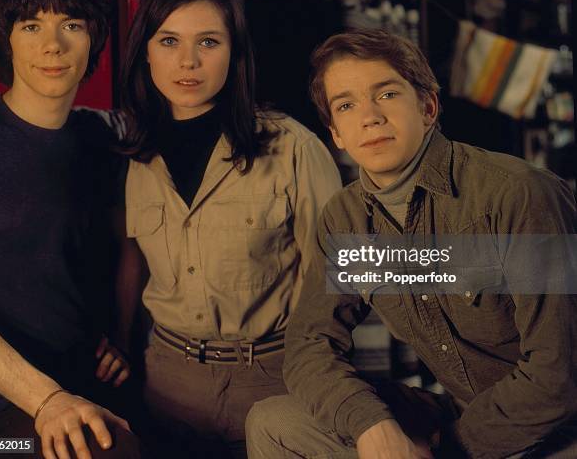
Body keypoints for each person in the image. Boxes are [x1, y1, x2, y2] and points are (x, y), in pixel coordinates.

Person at [246, 29, 577, 459]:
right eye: (346, 105)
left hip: (558, 428)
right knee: (274, 422)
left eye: (385, 94)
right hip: (461, 410)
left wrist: (444, 448)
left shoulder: (519, 194)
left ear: (427, 106)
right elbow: (310, 347)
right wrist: (371, 425)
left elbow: (559, 375)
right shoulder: (346, 220)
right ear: (337, 134)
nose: (369, 117)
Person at [117, 0, 342, 457]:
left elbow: (338, 274)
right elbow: (130, 262)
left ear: (234, 53)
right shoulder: (135, 156)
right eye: (170, 40)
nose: (188, 61)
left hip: (271, 381)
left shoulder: (293, 148)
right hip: (165, 385)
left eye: (209, 42)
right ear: (146, 51)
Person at [0, 0, 142, 459]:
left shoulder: (99, 139)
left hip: (76, 387)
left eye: (72, 25)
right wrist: (47, 401)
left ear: (93, 39)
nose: (53, 45)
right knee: (107, 451)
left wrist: (119, 334)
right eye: (30, 26)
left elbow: (127, 242)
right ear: (7, 40)